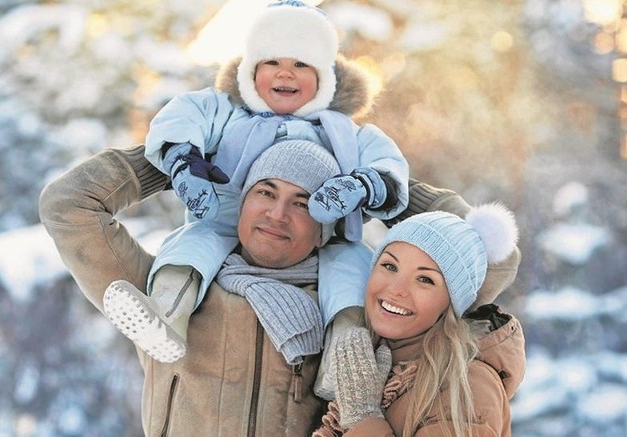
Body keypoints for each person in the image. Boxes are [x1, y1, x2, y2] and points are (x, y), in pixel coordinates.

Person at [39, 140, 521, 435]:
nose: (276, 213)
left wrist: (379, 186)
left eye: (304, 202)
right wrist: (185, 155)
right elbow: (68, 204)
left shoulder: (362, 311)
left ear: (327, 223)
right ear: (241, 202)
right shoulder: (168, 290)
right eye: (264, 192)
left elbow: (491, 258)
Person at [101, 0, 410, 367]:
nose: (286, 74)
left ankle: (346, 357)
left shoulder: (343, 130)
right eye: (272, 62)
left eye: (301, 64)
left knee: (353, 268)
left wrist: (365, 184)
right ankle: (167, 314)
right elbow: (182, 115)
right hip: (220, 218)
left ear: (324, 76)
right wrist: (182, 157)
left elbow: (388, 162)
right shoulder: (226, 109)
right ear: (251, 69)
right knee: (189, 247)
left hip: (323, 235)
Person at [313, 204, 526, 437]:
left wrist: (362, 418)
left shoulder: (468, 387)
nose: (396, 289)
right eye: (389, 266)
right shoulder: (367, 358)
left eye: (425, 279)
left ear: (451, 303)